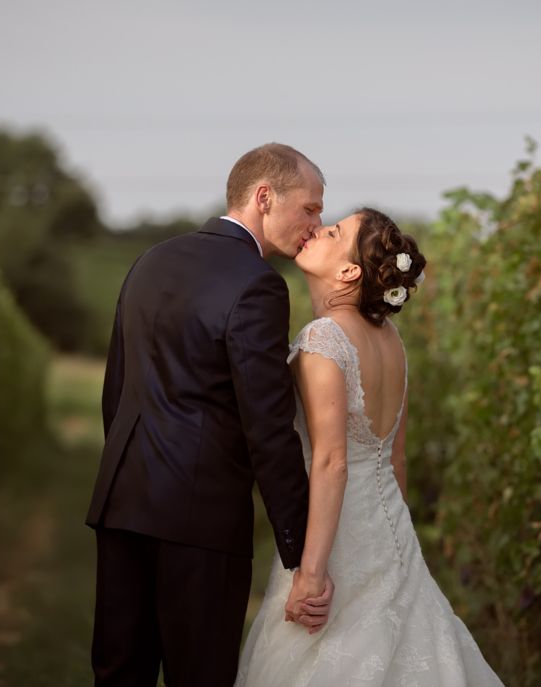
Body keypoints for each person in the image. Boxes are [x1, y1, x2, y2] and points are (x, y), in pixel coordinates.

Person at [86, 143, 334, 686]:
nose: (317, 222)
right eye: (311, 207)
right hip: (199, 521)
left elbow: (117, 390)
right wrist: (299, 554)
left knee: (118, 672)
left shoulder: (150, 259)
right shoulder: (258, 284)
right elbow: (267, 427)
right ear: (264, 197)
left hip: (122, 505)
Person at [236, 208, 504, 686]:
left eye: (334, 231)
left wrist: (313, 572)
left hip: (333, 532)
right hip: (389, 533)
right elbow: (393, 457)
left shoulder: (324, 339)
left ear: (349, 271)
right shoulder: (391, 341)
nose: (317, 230)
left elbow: (332, 462)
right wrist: (391, 544)